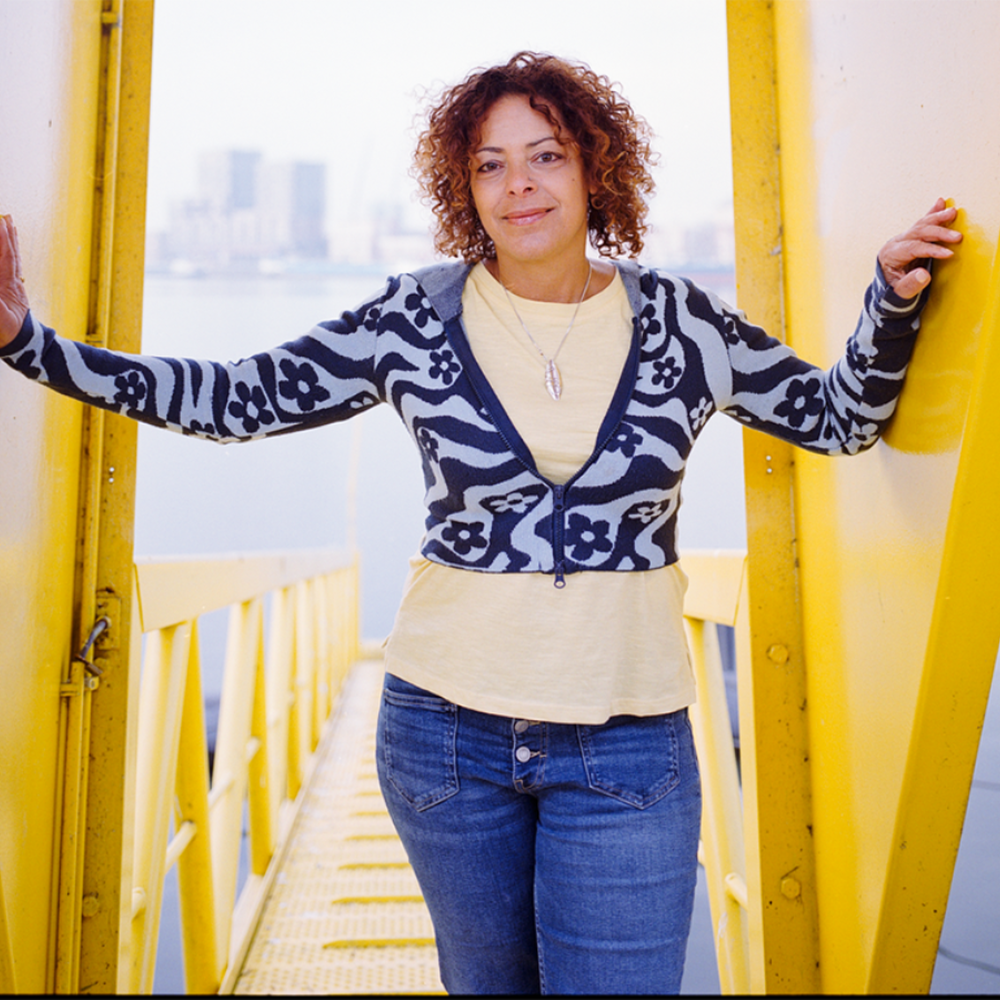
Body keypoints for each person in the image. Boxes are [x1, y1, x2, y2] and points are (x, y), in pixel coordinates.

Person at [0, 51, 961, 996]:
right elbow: (235, 400)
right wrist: (27, 344)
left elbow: (838, 419)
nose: (518, 186)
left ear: (596, 168)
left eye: (545, 156)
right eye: (490, 165)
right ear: (464, 187)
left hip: (628, 742)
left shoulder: (684, 323)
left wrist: (890, 302)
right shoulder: (413, 319)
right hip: (445, 739)